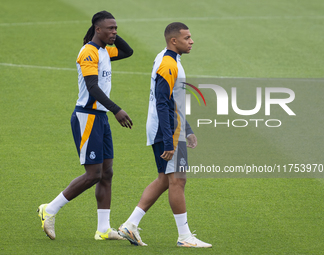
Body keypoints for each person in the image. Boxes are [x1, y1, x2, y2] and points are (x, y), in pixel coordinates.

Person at [37, 10, 133, 241]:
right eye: (110, 28)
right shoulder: (89, 52)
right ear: (97, 29)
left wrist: (109, 35)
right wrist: (116, 109)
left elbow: (128, 51)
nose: (114, 32)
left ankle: (103, 230)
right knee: (93, 175)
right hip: (87, 117)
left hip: (100, 118)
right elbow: (92, 87)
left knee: (107, 173)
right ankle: (49, 209)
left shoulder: (104, 50)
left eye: (116, 28)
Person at [118, 22, 212, 248]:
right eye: (187, 38)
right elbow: (163, 104)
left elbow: (172, 101)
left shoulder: (166, 58)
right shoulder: (169, 65)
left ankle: (130, 225)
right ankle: (184, 237)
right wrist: (171, 140)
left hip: (167, 129)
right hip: (167, 131)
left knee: (164, 180)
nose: (191, 41)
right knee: (178, 181)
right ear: (174, 41)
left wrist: (187, 129)